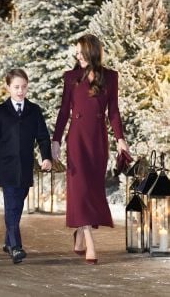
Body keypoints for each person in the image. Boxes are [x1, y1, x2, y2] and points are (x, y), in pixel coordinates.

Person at [52, 34, 129, 264]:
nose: (77, 55)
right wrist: (56, 140)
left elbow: (113, 112)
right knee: (81, 189)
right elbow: (64, 111)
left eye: (81, 52)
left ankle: (80, 233)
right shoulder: (70, 77)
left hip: (98, 140)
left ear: (92, 52)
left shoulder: (111, 77)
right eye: (76, 52)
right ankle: (90, 244)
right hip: (76, 140)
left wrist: (120, 139)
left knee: (92, 190)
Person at [0, 68, 52, 264]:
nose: (20, 91)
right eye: (16, 87)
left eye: (23, 87)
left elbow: (43, 137)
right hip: (7, 166)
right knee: (11, 206)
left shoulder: (34, 110)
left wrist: (46, 157)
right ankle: (15, 247)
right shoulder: (1, 111)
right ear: (8, 88)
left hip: (25, 167)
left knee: (17, 206)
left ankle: (8, 241)